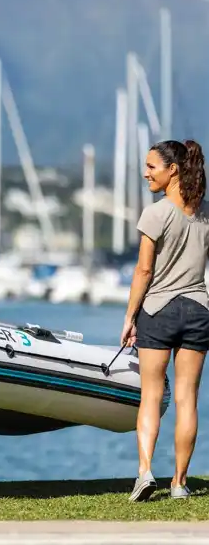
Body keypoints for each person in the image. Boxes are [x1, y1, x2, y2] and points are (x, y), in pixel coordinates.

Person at [121, 139, 209, 502]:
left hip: (158, 310)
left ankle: (144, 472)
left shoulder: (155, 214)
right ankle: (179, 483)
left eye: (152, 167)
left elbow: (144, 270)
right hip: (199, 311)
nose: (146, 173)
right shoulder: (205, 213)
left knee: (151, 397)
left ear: (173, 169)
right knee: (188, 399)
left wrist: (129, 317)